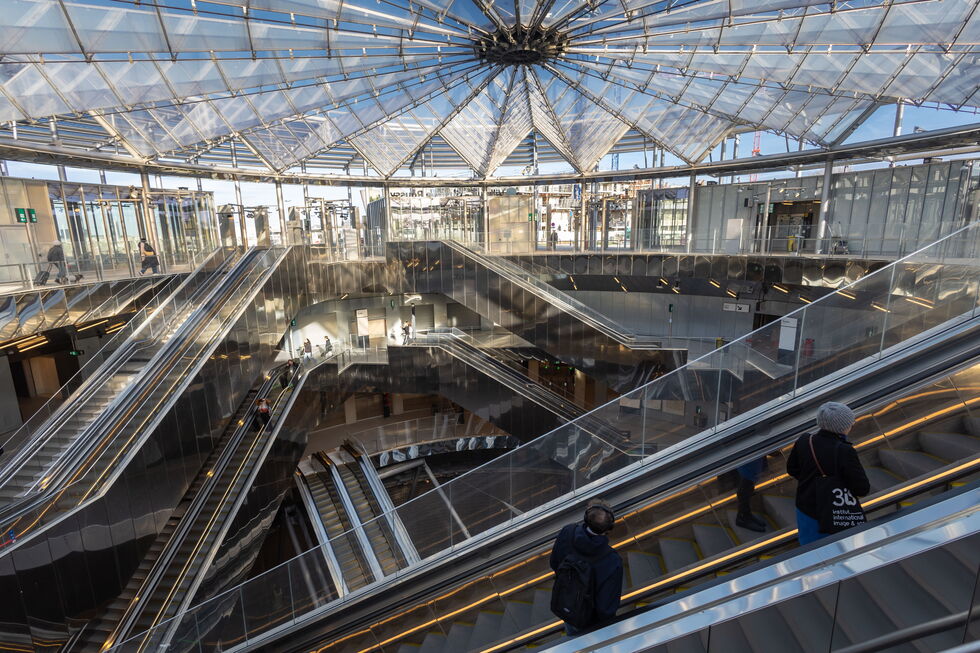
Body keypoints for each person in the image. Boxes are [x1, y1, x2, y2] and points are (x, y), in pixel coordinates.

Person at [787, 402, 870, 545]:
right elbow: (862, 488)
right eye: (850, 423)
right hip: (834, 512)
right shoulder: (844, 450)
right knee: (839, 547)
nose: (852, 425)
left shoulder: (804, 440)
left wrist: (815, 482)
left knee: (811, 548)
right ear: (842, 427)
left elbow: (792, 469)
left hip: (805, 507)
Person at [549, 500, 623, 636]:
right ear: (609, 528)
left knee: (572, 632)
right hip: (593, 622)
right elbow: (606, 607)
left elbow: (554, 563)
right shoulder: (612, 560)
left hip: (568, 603)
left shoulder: (568, 532)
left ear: (586, 518)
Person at [735, 458, 767, 533]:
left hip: (753, 462)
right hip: (746, 460)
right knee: (746, 485)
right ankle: (742, 517)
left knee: (749, 486)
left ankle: (746, 515)